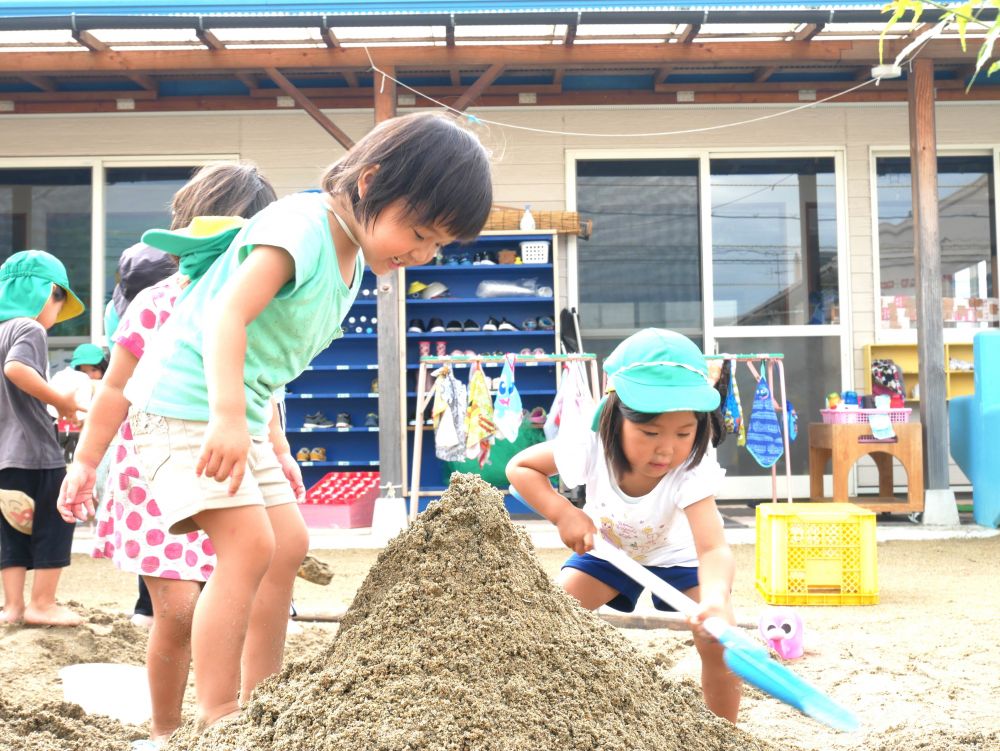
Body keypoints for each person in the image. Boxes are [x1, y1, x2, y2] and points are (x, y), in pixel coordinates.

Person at [60, 112, 494, 731]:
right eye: (419, 232)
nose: (422, 254)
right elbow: (225, 318)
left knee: (287, 543)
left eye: (438, 246)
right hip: (185, 405)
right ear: (368, 182)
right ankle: (219, 713)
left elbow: (268, 359)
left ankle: (265, 697)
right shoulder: (301, 226)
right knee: (248, 545)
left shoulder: (352, 259)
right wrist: (229, 418)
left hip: (240, 411)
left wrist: (264, 432)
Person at [59, 162, 278, 748]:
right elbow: (113, 390)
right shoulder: (157, 300)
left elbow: (264, 387)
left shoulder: (262, 303)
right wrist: (84, 461)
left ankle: (227, 716)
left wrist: (279, 450)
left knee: (232, 597)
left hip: (232, 467)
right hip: (151, 469)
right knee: (176, 612)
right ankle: (165, 730)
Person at [506, 328, 742, 723]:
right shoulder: (591, 443)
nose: (666, 448)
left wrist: (716, 598)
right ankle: (544, 721)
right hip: (608, 553)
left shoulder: (692, 465)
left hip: (680, 559)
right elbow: (521, 468)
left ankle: (724, 734)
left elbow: (713, 549)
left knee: (721, 641)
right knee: (552, 621)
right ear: (614, 417)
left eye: (684, 432)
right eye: (650, 433)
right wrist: (564, 513)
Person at [0, 250, 87, 627]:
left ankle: (13, 608)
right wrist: (62, 402)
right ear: (48, 292)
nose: (55, 318)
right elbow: (16, 368)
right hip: (34, 451)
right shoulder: (28, 328)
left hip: (4, 456)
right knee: (55, 520)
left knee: (10, 532)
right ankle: (43, 603)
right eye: (60, 302)